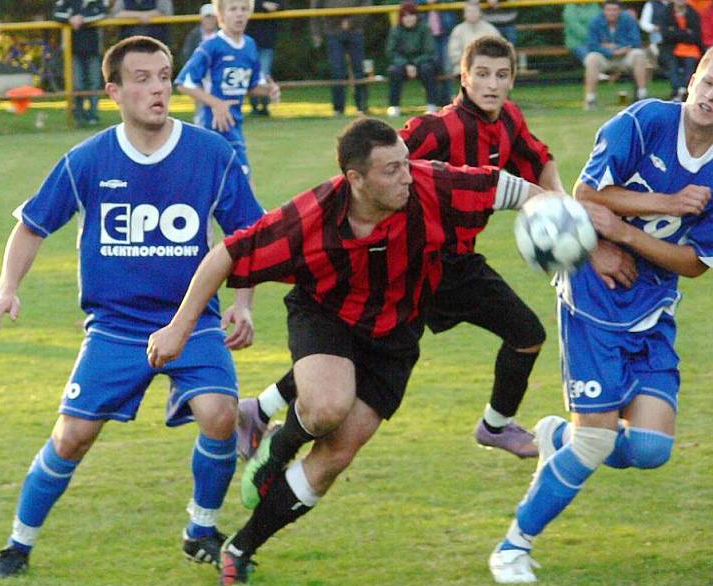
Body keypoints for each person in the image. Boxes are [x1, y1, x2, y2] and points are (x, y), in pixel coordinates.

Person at [147, 117, 546, 586]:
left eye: (405, 163)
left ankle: (241, 546)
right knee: (326, 407)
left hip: (394, 335)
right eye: (391, 170)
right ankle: (280, 444)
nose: (406, 176)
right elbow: (228, 254)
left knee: (337, 454)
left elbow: (508, 188)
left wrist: (561, 215)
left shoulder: (430, 185)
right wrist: (178, 327)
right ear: (355, 179)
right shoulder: (312, 215)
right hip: (326, 316)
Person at [236, 36, 636, 463]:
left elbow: (540, 158)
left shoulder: (509, 121)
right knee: (356, 347)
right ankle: (264, 426)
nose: (491, 84)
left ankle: (494, 426)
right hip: (414, 262)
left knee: (525, 335)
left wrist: (561, 212)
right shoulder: (437, 128)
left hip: (457, 265)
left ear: (513, 81)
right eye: (481, 74)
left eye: (502, 75)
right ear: (463, 77)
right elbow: (377, 168)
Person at [0, 36, 265, 579]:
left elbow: (247, 236)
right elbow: (32, 225)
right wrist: (5, 289)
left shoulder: (212, 153)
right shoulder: (86, 160)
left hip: (193, 322)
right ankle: (18, 544)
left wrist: (244, 304)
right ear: (114, 91)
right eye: (142, 79)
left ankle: (200, 529)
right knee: (72, 436)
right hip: (115, 328)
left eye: (164, 75)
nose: (158, 88)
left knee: (220, 414)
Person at [488, 48, 713, 585]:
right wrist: (663, 204)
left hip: (653, 308)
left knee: (652, 449)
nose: (710, 96)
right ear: (692, 78)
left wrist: (625, 234)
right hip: (592, 300)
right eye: (708, 81)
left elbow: (694, 262)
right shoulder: (643, 121)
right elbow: (588, 195)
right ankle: (512, 546)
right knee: (597, 439)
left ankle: (556, 438)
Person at [175, 0, 280, 177]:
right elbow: (183, 83)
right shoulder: (211, 46)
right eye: (233, 9)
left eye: (244, 9)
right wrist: (216, 103)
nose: (239, 14)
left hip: (234, 126)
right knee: (224, 183)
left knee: (240, 183)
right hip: (211, 126)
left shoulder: (249, 45)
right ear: (221, 15)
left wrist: (269, 90)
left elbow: (251, 85)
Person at [583, 0, 650, 110]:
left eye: (614, 10)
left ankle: (642, 94)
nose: (612, 13)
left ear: (620, 11)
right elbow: (592, 44)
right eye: (609, 10)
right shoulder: (595, 21)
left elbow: (636, 41)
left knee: (639, 54)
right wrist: (610, 51)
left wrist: (617, 47)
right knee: (591, 58)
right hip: (605, 58)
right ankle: (590, 99)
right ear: (604, 11)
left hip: (625, 56)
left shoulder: (628, 19)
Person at [310, 0, 372, 116]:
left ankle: (362, 107)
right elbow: (315, 10)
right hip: (332, 32)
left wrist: (352, 22)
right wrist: (316, 33)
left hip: (355, 31)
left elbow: (367, 4)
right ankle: (338, 109)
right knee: (337, 71)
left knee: (359, 70)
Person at [53, 0, 109, 126]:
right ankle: (79, 115)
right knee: (77, 84)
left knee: (93, 83)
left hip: (93, 49)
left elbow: (102, 14)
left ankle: (93, 115)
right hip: (73, 51)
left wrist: (81, 19)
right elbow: (56, 14)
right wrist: (71, 19)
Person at [385, 0, 439, 118]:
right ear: (401, 18)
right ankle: (394, 106)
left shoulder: (424, 28)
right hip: (402, 65)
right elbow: (391, 52)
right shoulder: (395, 30)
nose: (409, 19)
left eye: (411, 15)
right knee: (394, 71)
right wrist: (406, 64)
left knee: (427, 69)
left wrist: (414, 63)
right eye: (405, 16)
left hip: (421, 63)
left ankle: (431, 105)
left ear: (416, 16)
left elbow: (430, 51)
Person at [179, 3, 220, 125]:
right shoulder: (194, 35)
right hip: (200, 75)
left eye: (212, 17)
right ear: (202, 18)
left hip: (216, 75)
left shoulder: (222, 35)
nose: (210, 20)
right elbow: (187, 55)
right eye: (207, 17)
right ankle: (200, 121)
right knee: (201, 99)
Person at [661, 0, 703, 100]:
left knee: (690, 63)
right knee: (670, 62)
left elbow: (696, 36)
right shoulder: (666, 12)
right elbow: (666, 35)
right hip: (671, 48)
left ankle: (684, 90)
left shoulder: (693, 13)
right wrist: (686, 32)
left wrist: (675, 32)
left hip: (691, 48)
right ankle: (677, 90)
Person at [247, 0, 283, 116]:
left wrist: (275, 6)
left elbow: (282, 6)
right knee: (250, 75)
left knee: (264, 74)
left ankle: (265, 106)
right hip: (249, 40)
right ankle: (254, 107)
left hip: (267, 41)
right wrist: (261, 6)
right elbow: (243, 5)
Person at [447, 1, 500, 78]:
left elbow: (498, 49)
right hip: (464, 66)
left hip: (487, 65)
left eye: (475, 11)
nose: (472, 14)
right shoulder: (458, 30)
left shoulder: (490, 29)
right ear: (464, 14)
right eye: (469, 11)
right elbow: (454, 53)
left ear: (480, 13)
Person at [422, 0, 457, 105]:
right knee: (432, 67)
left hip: (445, 34)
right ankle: (435, 100)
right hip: (427, 35)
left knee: (447, 66)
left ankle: (448, 98)